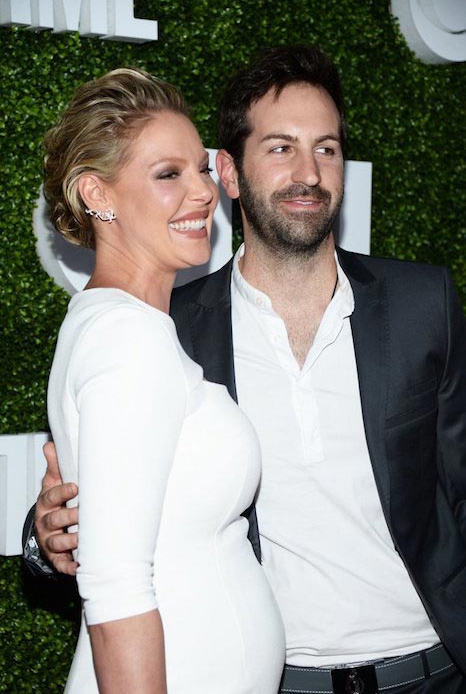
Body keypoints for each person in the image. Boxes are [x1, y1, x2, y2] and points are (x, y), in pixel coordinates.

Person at [25, 47, 466, 693]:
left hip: (432, 673)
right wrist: (46, 539)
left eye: (327, 148)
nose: (309, 173)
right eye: (281, 148)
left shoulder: (424, 304)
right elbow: (103, 510)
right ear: (229, 173)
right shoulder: (168, 328)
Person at [35, 67, 285, 694]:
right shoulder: (129, 337)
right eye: (168, 174)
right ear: (98, 195)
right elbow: (115, 584)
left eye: (201, 169)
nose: (202, 192)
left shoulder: (122, 323)